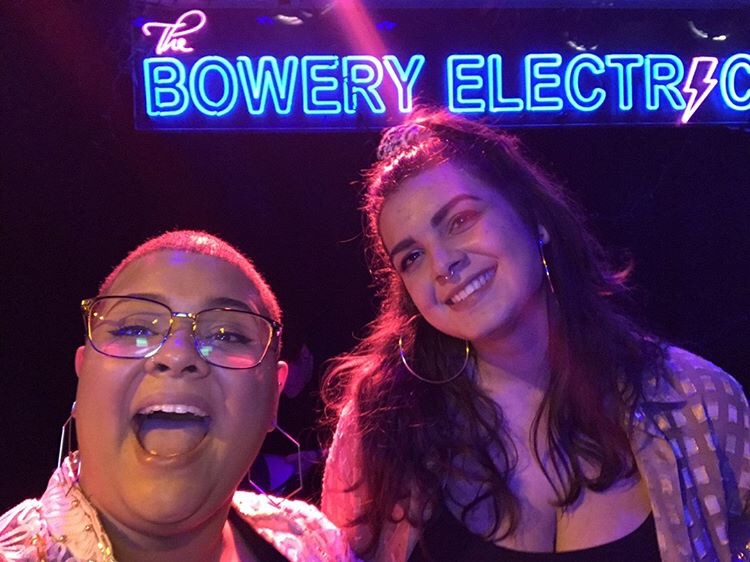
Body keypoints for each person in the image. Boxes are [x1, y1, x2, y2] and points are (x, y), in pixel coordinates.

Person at [320, 108, 749, 562]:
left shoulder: (698, 401)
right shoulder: (380, 430)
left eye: (460, 220)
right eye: (411, 258)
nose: (443, 264)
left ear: (533, 215)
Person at [0, 230, 353, 561]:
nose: (178, 354)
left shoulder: (314, 542)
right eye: (135, 329)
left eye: (227, 335)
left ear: (274, 396)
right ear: (83, 372)